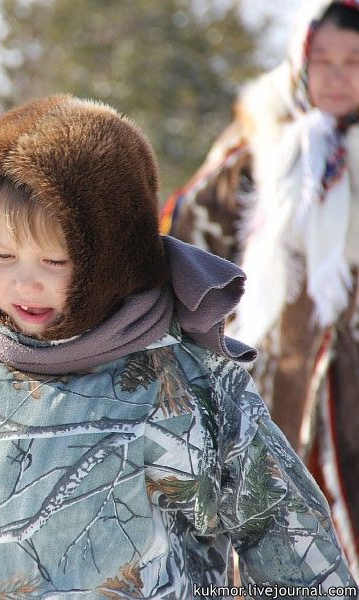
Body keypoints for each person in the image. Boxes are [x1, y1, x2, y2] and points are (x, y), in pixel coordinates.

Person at [0, 95, 357, 598]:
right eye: (2, 257)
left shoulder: (184, 377)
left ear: (114, 252)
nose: (25, 283)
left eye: (55, 260)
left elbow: (285, 532)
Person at [162, 0, 359, 571]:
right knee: (273, 542)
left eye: (355, 60)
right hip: (274, 382)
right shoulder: (255, 155)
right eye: (325, 60)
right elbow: (184, 252)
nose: (340, 76)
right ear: (299, 63)